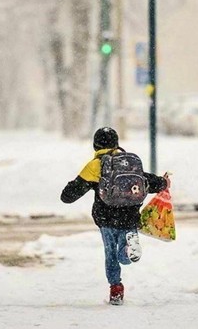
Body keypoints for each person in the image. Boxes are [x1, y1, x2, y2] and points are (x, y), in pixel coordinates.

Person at [61, 127, 169, 305]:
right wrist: (164, 182)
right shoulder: (130, 162)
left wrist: (71, 187)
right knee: (123, 254)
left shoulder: (95, 165)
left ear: (95, 145)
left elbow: (68, 196)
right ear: (117, 143)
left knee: (110, 254)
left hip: (107, 218)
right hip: (130, 216)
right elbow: (147, 180)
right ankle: (128, 249)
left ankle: (116, 289)